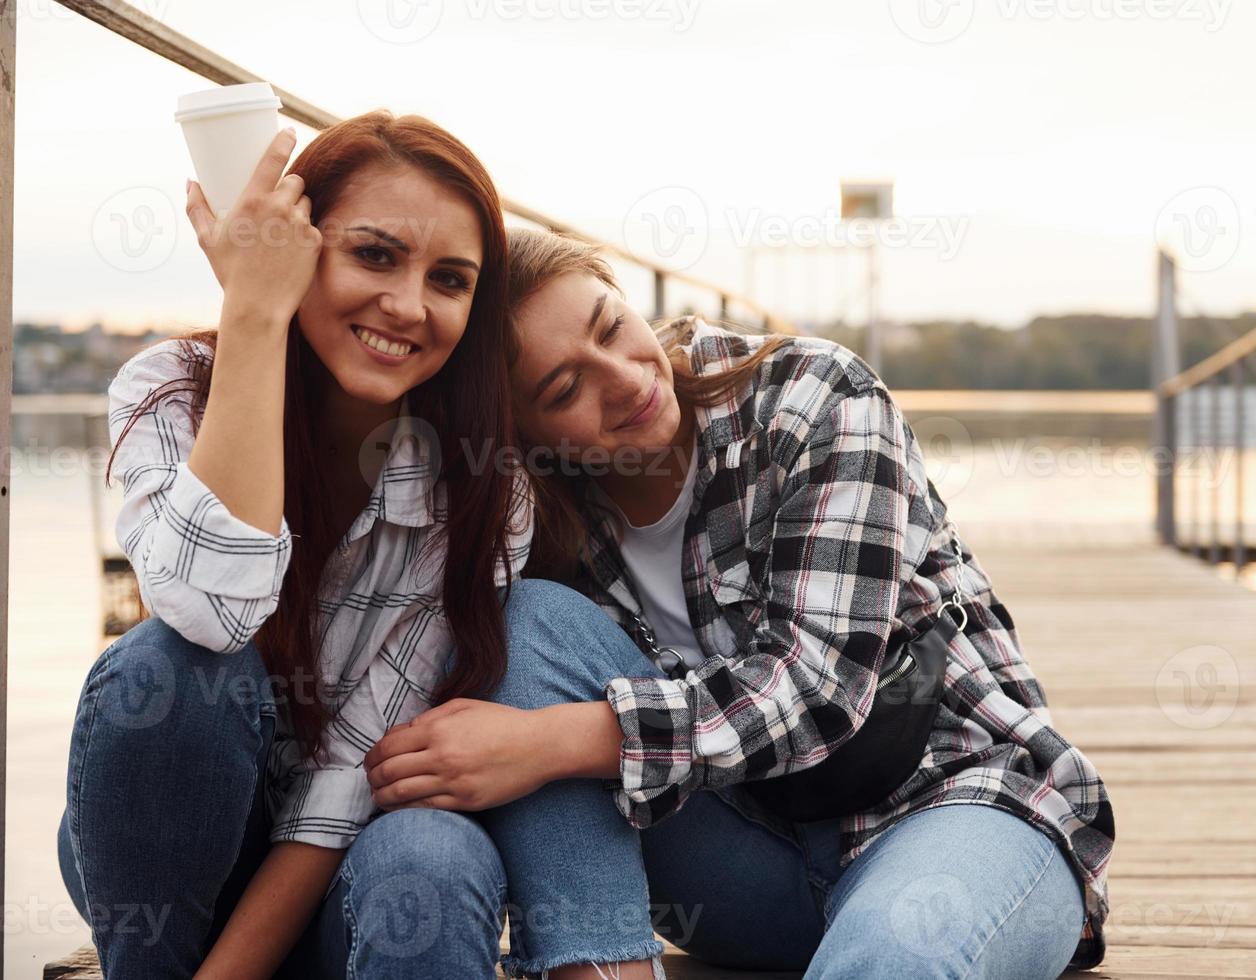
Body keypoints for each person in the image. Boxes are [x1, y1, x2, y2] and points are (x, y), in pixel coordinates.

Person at [364, 227, 1116, 978]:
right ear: (524, 439)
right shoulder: (542, 514)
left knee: (891, 961)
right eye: (564, 391)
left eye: (612, 327)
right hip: (752, 869)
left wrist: (549, 742)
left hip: (954, 804)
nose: (624, 380)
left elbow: (815, 685)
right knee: (527, 626)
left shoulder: (813, 396)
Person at [56, 112, 537, 978]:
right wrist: (253, 314)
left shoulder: (485, 493)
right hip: (164, 851)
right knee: (166, 671)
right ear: (295, 244)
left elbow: (350, 780)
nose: (408, 305)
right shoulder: (170, 392)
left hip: (338, 870)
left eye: (451, 280)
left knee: (434, 853)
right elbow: (210, 614)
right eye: (375, 255)